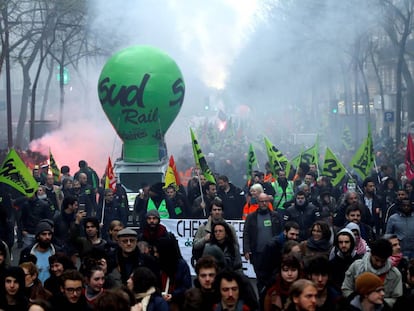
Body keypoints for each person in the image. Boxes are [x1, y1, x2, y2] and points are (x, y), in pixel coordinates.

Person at [342, 238, 402, 307]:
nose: (379, 264)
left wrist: (380, 304)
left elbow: (396, 298)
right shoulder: (356, 267)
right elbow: (346, 288)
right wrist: (357, 302)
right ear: (371, 254)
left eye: (383, 261)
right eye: (376, 260)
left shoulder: (395, 274)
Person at [243, 192, 283, 296]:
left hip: (273, 253)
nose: (264, 203)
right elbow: (246, 233)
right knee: (260, 279)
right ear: (258, 202)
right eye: (261, 201)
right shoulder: (251, 217)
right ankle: (262, 299)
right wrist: (246, 250)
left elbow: (281, 232)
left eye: (266, 201)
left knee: (273, 278)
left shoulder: (275, 216)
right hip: (258, 254)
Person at [193, 198, 237, 265]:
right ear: (211, 212)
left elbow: (236, 247)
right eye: (214, 210)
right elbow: (195, 245)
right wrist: (204, 239)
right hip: (207, 264)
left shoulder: (230, 228)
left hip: (226, 265)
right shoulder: (203, 228)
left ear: (222, 212)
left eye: (219, 210)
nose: (217, 212)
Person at [154, 237, 192, 311]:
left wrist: (173, 296)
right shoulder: (156, 264)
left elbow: (186, 287)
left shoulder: (181, 265)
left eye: (157, 252)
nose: (155, 254)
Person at [261, 222, 300, 287]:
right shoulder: (272, 246)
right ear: (285, 232)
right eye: (292, 234)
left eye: (296, 235)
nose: (294, 237)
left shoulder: (297, 243)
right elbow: (264, 268)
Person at [19, 220, 59, 284]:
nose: (47, 237)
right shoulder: (27, 253)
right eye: (44, 234)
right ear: (38, 236)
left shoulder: (57, 252)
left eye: (49, 234)